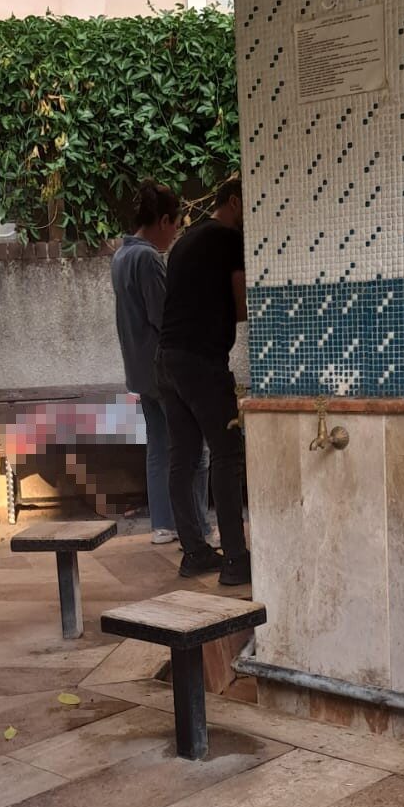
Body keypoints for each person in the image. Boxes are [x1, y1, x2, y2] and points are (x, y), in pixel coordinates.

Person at [157, 175, 251, 586]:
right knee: (227, 453)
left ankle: (195, 552)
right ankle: (235, 560)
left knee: (183, 456)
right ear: (234, 202)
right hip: (201, 361)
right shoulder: (228, 239)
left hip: (167, 361)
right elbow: (242, 306)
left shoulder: (184, 241)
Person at [110, 179, 214, 546]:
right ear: (164, 220)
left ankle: (163, 525)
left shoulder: (121, 256)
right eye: (175, 225)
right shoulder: (148, 258)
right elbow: (163, 315)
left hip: (139, 370)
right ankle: (198, 527)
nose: (175, 234)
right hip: (165, 370)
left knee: (158, 447)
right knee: (195, 450)